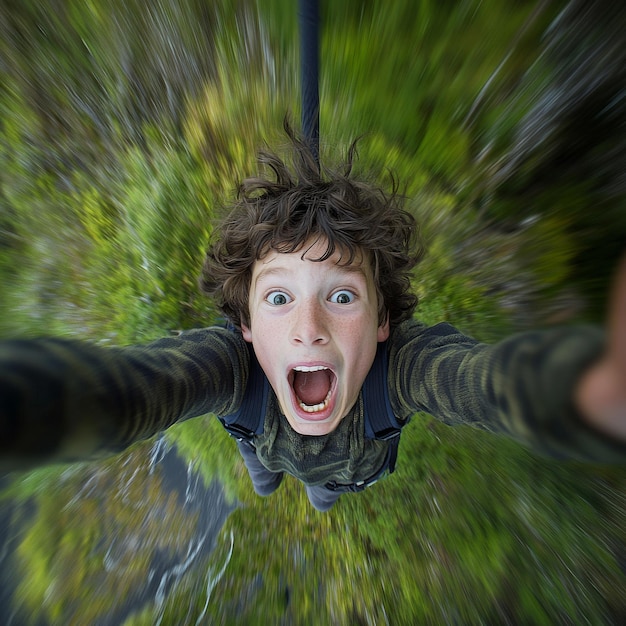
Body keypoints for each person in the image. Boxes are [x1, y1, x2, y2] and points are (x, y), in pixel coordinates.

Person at [1, 127, 625, 511]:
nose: (309, 327)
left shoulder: (400, 367)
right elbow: (134, 388)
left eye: (344, 296)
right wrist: (26, 407)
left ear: (384, 323)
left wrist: (583, 392)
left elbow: (478, 381)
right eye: (278, 297)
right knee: (265, 478)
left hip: (351, 467)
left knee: (326, 495)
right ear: (244, 323)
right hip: (262, 449)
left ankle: (320, 495)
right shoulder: (227, 369)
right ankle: (271, 484)